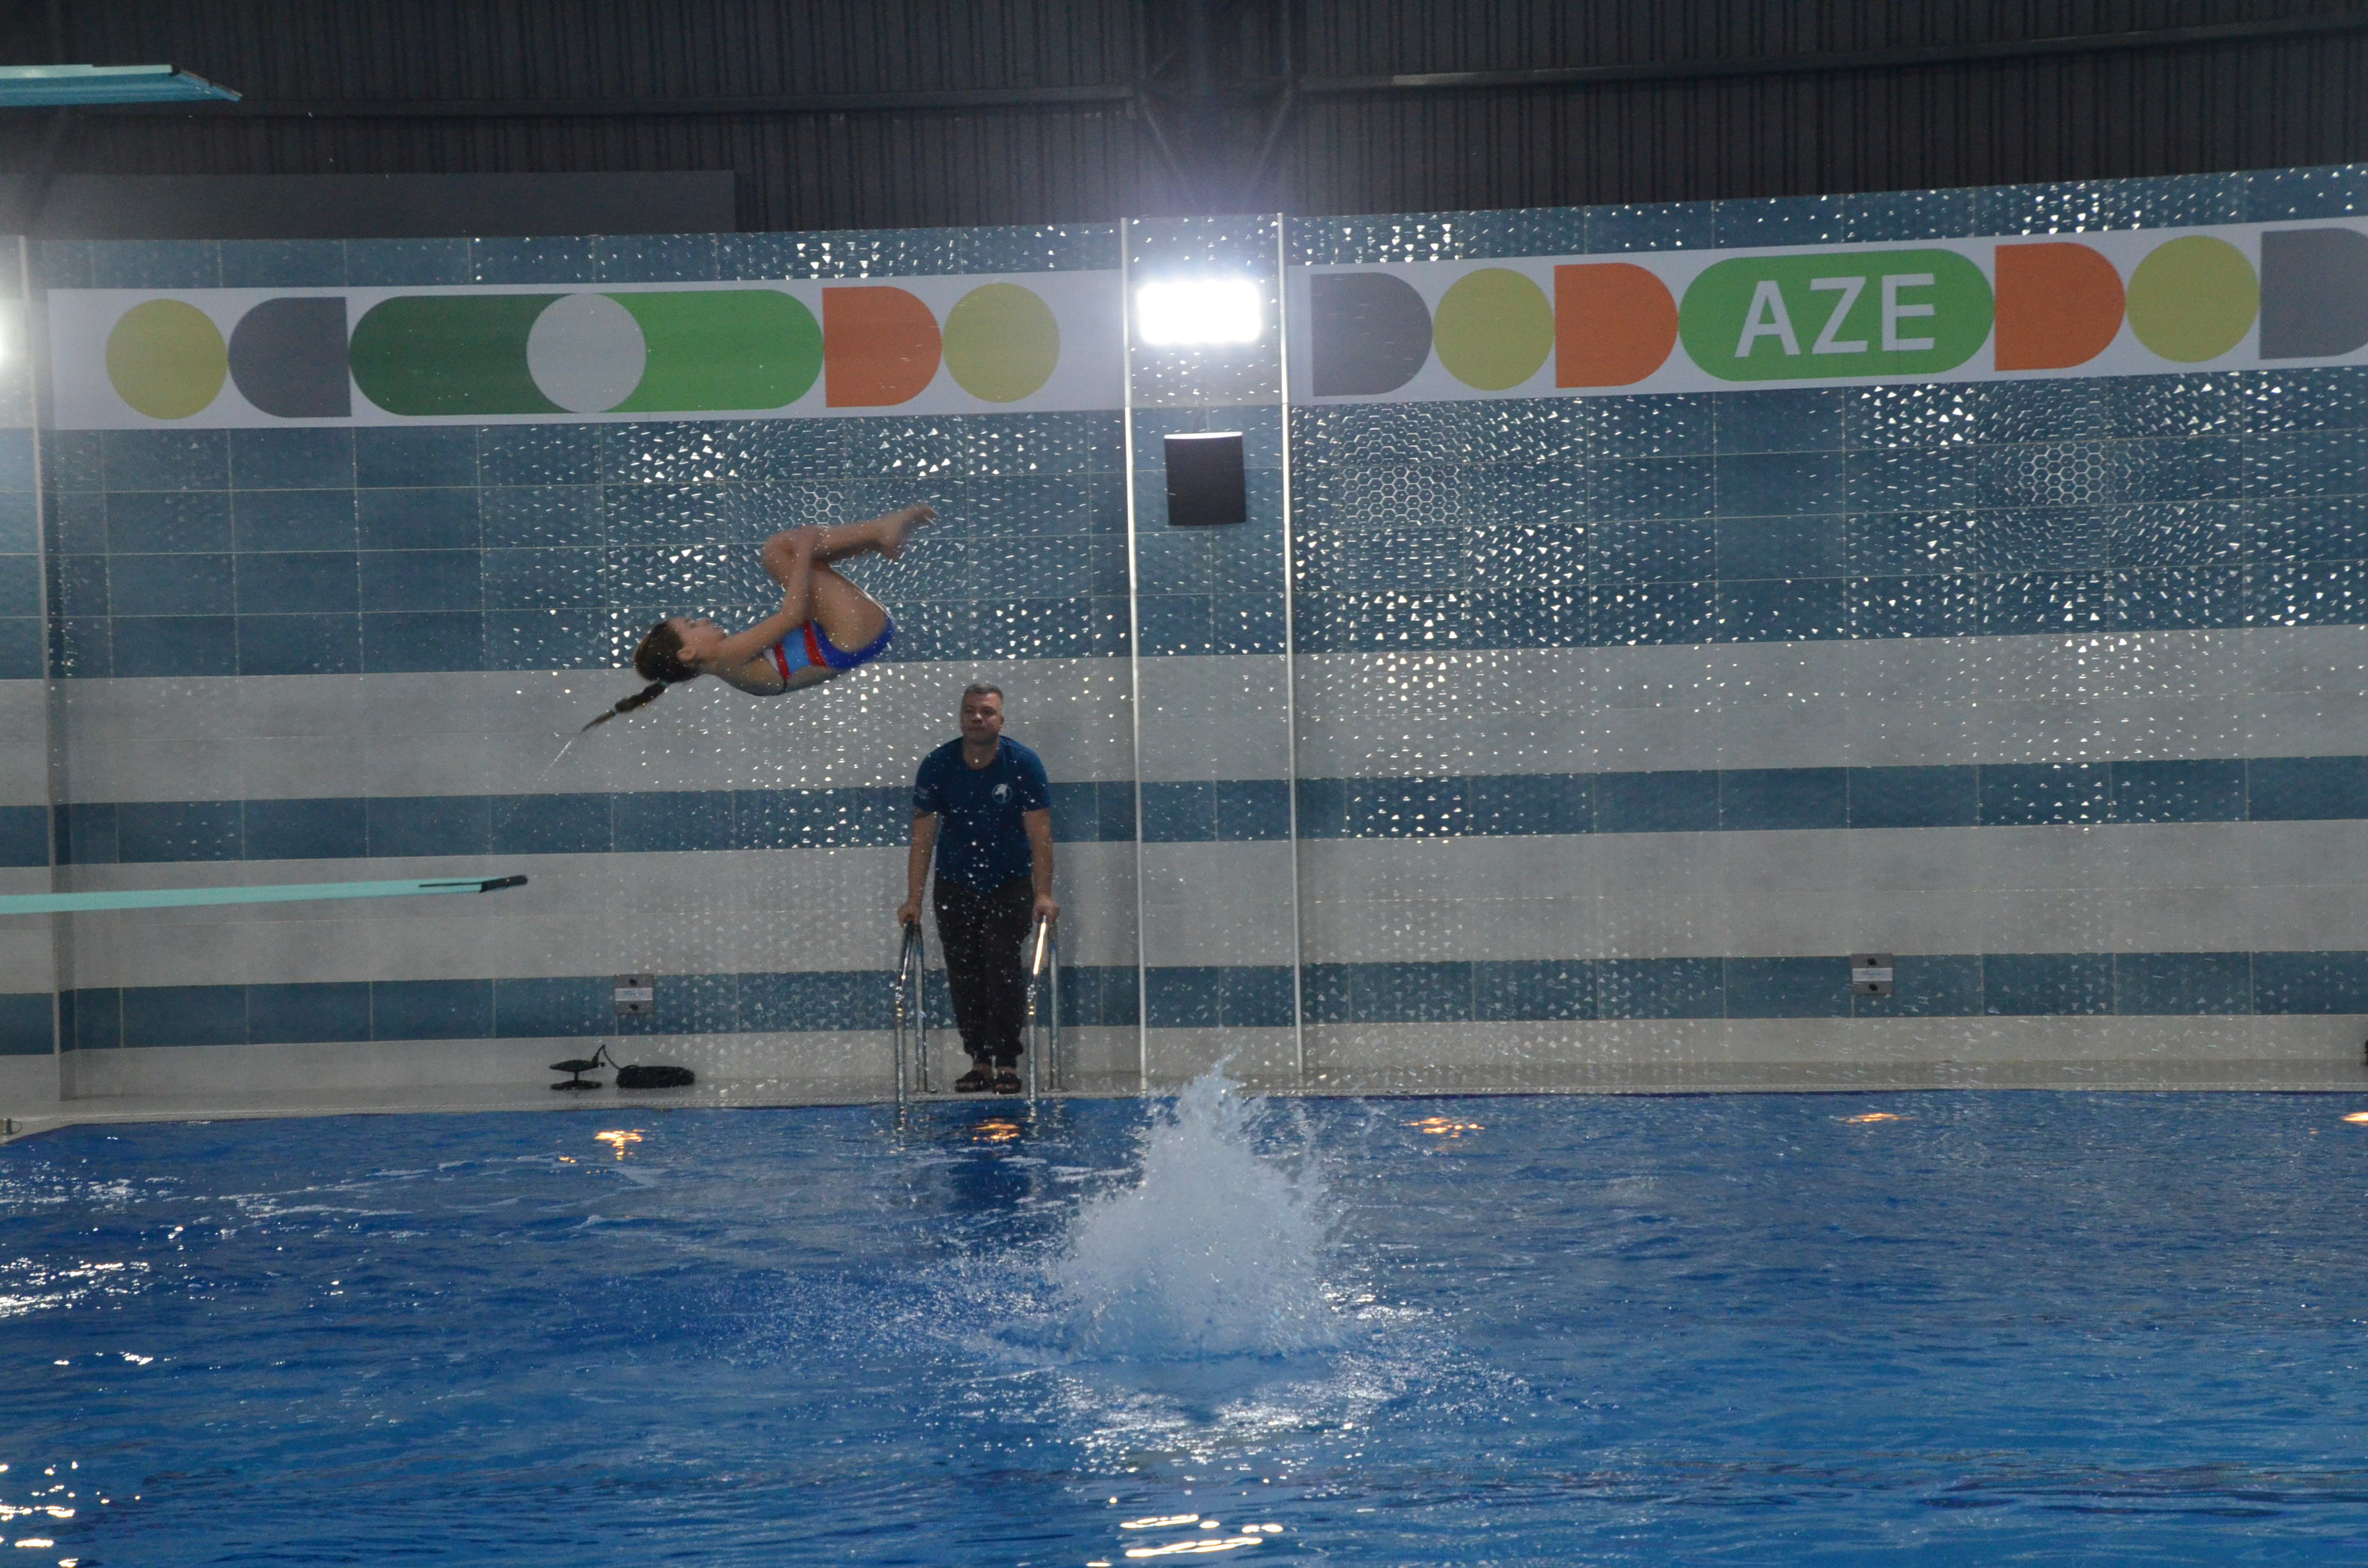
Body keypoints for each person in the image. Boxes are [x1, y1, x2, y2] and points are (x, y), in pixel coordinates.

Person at [583, 503, 933, 729]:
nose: (703, 621)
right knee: (782, 549)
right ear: (687, 653)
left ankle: (878, 537)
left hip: (845, 636)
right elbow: (793, 614)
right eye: (692, 627)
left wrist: (805, 554)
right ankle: (878, 533)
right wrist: (808, 545)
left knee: (784, 553)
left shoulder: (724, 663)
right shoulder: (727, 656)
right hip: (853, 633)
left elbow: (797, 615)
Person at [899, 684, 1059, 1094]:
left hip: (1010, 882)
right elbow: (923, 837)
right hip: (956, 883)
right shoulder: (939, 764)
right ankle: (979, 1060)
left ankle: (1007, 1060)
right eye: (970, 711)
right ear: (960, 717)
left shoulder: (1023, 764)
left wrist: (1044, 893)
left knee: (1001, 964)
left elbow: (1040, 835)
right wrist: (914, 899)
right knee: (965, 972)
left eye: (987, 712)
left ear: (1001, 721)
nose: (977, 718)